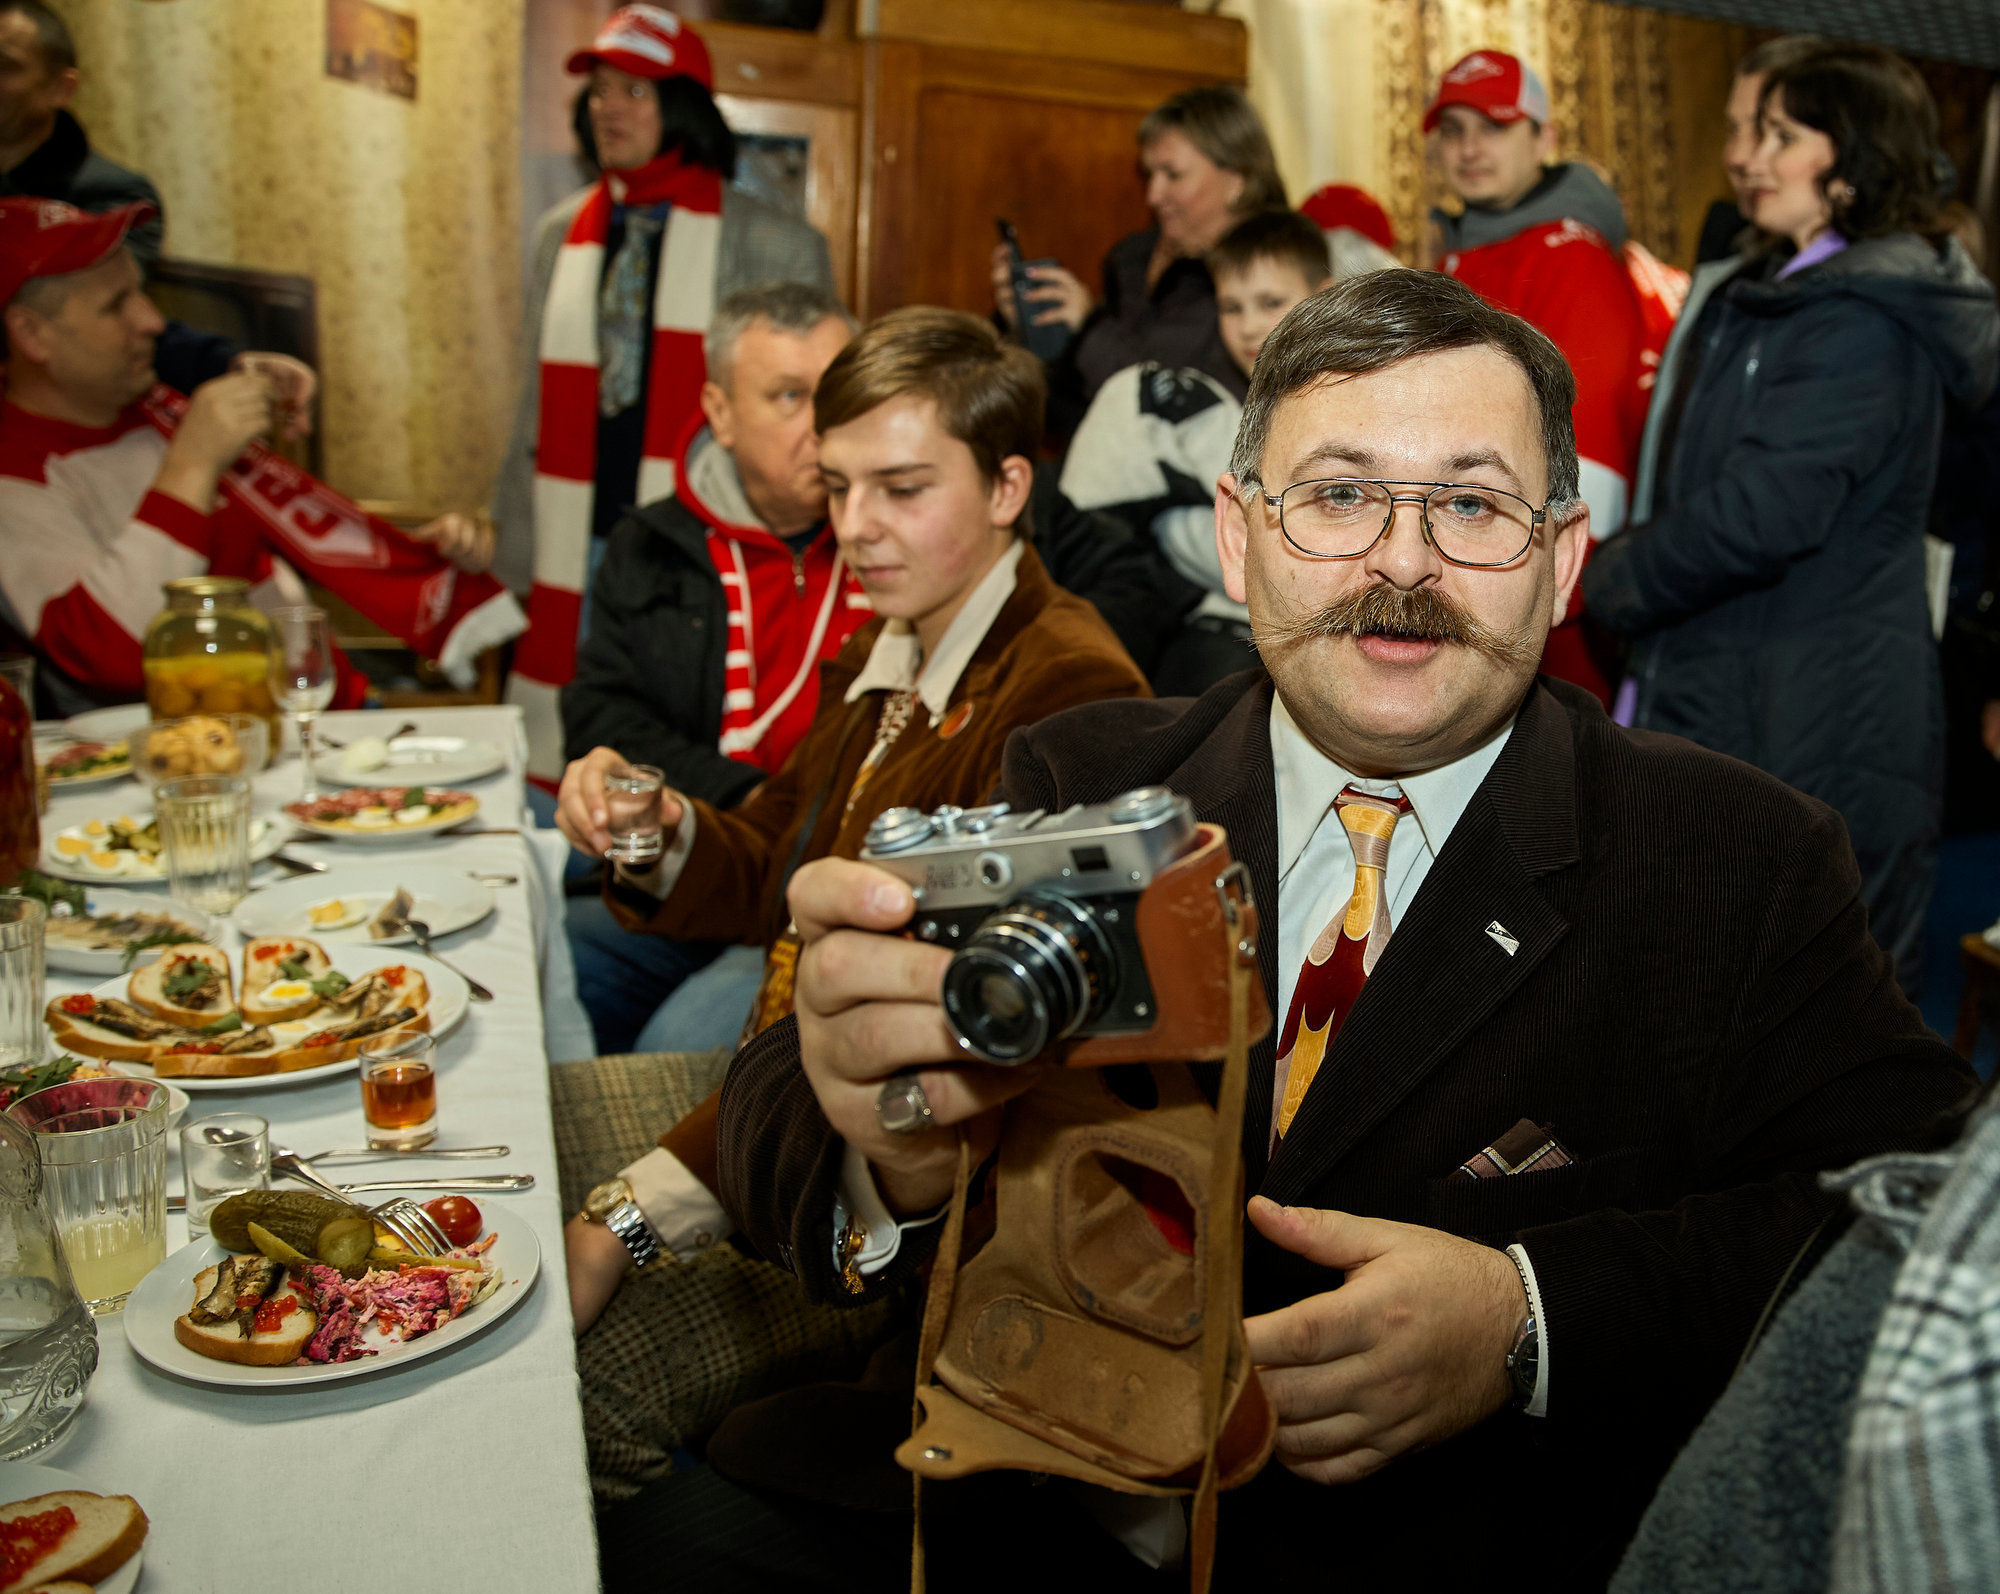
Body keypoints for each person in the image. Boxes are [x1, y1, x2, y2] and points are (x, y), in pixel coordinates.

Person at [595, 269, 1978, 1592]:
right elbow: (786, 1115)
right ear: (1240, 535)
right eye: (1341, 495)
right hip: (992, 1508)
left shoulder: (1736, 863)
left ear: (1561, 563)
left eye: (1472, 507)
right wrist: (887, 1149)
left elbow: (1923, 1222)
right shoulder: (1084, 778)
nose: (1400, 559)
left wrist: (1531, 1316)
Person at [547, 306, 1149, 1502]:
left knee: (562, 1382)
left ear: (1007, 486)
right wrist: (660, 828)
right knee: (511, 1152)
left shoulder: (1064, 691)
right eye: (837, 488)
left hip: (892, 1205)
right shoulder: (895, 652)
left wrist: (628, 1215)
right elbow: (773, 856)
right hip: (777, 1096)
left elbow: (931, 1086)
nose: (856, 529)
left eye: (901, 486)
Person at [1584, 44, 1999, 997]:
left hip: (1819, 701)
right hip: (1742, 673)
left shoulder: (1866, 315)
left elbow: (1764, 512)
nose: (1746, 156)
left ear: (1849, 160)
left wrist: (1598, 578)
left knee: (1804, 1010)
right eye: (1742, 131)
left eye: (1779, 134)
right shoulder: (1782, 287)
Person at [0, 198, 521, 714]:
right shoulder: (16, 476)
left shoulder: (157, 408)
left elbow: (265, 556)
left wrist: (417, 555)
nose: (153, 321)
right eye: (116, 306)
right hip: (209, 765)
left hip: (336, 713)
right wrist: (194, 464)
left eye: (141, 293)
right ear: (31, 335)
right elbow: (111, 654)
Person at [495, 4, 837, 786]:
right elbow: (532, 407)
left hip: (701, 542)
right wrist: (508, 545)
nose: (609, 109)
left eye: (636, 92)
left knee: (667, 739)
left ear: (681, 106)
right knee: (573, 749)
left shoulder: (774, 241)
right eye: (601, 91)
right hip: (571, 534)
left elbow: (811, 403)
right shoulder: (562, 233)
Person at [560, 282, 869, 1054]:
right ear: (720, 413)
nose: (821, 427)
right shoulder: (652, 544)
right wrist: (744, 797)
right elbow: (603, 713)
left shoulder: (895, 533)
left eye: (834, 393)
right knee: (551, 967)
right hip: (702, 847)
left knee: (678, 1042)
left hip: (830, 887)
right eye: (789, 397)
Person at [1426, 49, 1652, 705]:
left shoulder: (1571, 257)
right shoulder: (1465, 252)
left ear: (1543, 138)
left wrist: (1556, 594)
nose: (1469, 148)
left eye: (1493, 126)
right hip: (1471, 577)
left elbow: (1592, 461)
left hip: (1542, 613)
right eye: (1453, 129)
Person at [0, 0, 317, 432]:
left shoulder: (112, 196)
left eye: (6, 66)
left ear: (61, 88)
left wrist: (225, 364)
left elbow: (101, 324)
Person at [1059, 209, 1338, 695]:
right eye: (1232, 307)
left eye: (1270, 302)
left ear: (1325, 296)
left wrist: (1166, 527)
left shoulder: (1350, 409)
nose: (1250, 326)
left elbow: (1280, 564)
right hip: (1206, 621)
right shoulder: (1223, 408)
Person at [990, 84, 1285, 435]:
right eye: (1150, 175)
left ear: (1236, 180)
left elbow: (1176, 408)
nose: (1153, 195)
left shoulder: (1274, 274)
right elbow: (1077, 411)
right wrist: (1032, 329)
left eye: (1173, 175)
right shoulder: (1133, 256)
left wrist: (1089, 326)